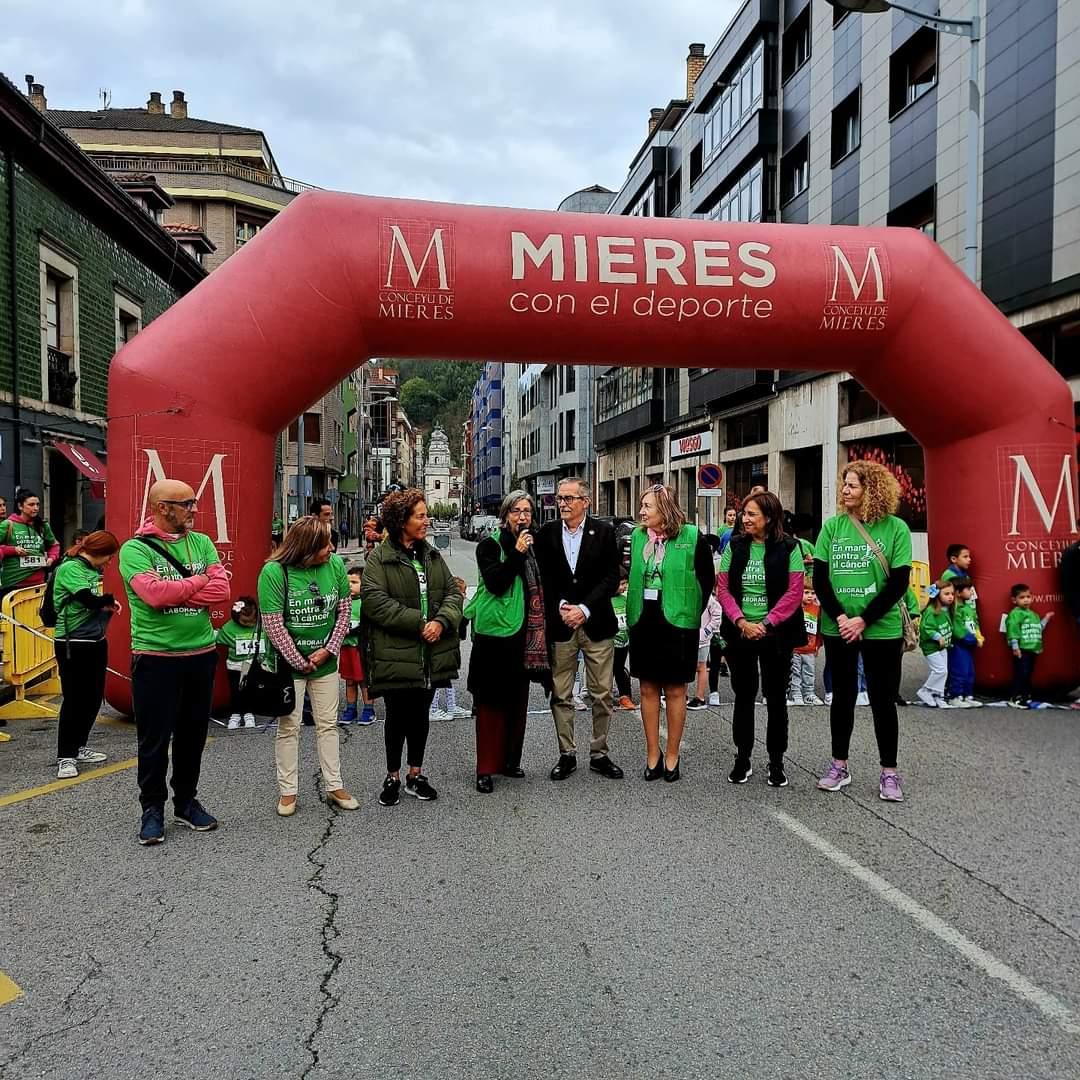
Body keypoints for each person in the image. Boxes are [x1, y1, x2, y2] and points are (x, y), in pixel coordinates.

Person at [119, 479, 231, 845]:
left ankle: (186, 802)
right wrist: (199, 582)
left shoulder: (201, 542)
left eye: (195, 503)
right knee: (153, 739)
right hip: (155, 657)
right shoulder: (135, 550)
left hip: (200, 654)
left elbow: (223, 591)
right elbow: (152, 595)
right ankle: (152, 809)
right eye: (187, 504)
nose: (194, 510)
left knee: (192, 736)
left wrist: (181, 592)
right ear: (163, 507)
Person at [813, 461, 912, 803]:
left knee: (883, 701)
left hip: (881, 629)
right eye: (844, 484)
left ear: (872, 489)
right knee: (842, 697)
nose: (845, 491)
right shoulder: (833, 528)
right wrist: (841, 616)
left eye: (852, 485)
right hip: (837, 627)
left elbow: (899, 582)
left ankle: (889, 772)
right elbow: (820, 579)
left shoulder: (896, 529)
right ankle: (839, 765)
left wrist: (863, 620)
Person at [361, 489, 462, 805]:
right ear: (401, 521)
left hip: (429, 655)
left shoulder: (430, 554)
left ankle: (415, 774)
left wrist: (441, 622)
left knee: (420, 716)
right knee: (396, 717)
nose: (426, 521)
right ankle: (392, 776)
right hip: (395, 653)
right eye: (420, 515)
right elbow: (375, 602)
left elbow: (453, 592)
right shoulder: (380, 557)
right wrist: (420, 622)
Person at [258, 517, 356, 815]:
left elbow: (344, 610)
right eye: (324, 544)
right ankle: (288, 792)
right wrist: (299, 660)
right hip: (289, 666)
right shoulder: (274, 572)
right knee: (290, 726)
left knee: (328, 725)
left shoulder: (335, 566)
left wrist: (329, 649)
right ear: (306, 548)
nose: (330, 549)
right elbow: (273, 624)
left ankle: (334, 785)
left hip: (326, 662)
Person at [535, 477, 623, 781]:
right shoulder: (546, 534)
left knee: (601, 694)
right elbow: (543, 578)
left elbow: (612, 577)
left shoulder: (604, 532)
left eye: (570, 498)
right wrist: (562, 607)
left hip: (596, 622)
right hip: (561, 625)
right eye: (560, 498)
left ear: (585, 501)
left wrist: (584, 609)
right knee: (561, 694)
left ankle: (599, 753)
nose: (563, 504)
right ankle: (567, 754)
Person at [717, 491, 806, 787]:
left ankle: (776, 761)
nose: (745, 518)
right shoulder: (735, 545)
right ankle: (742, 758)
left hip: (776, 633)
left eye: (752, 514)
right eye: (744, 513)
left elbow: (794, 593)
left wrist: (766, 623)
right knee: (743, 696)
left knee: (776, 697)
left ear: (769, 517)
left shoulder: (790, 547)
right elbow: (723, 588)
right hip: (740, 631)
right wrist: (742, 621)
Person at [627, 484, 714, 782]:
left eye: (647, 506)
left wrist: (689, 611)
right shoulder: (638, 537)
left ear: (664, 508)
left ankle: (673, 755)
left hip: (678, 623)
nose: (641, 512)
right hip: (645, 620)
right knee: (648, 689)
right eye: (642, 505)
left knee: (676, 690)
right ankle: (653, 755)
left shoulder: (691, 536)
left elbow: (706, 579)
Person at [465, 491, 550, 793]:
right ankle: (485, 768)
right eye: (516, 511)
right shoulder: (489, 546)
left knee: (517, 701)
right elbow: (497, 583)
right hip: (495, 635)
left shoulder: (534, 546)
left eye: (527, 511)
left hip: (524, 635)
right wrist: (516, 551)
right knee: (490, 703)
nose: (523, 517)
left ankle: (510, 760)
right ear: (505, 516)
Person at [52, 530, 121, 779]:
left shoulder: (91, 571)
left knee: (93, 698)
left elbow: (94, 602)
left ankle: (79, 746)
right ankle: (65, 756)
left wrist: (108, 604)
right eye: (110, 557)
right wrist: (106, 600)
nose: (110, 562)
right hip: (72, 642)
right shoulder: (71, 568)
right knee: (74, 699)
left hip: (95, 640)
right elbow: (87, 599)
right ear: (99, 552)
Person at [215, 597, 264, 729]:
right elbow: (218, 638)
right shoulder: (229, 628)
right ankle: (235, 714)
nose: (250, 623)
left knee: (250, 690)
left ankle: (249, 714)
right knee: (235, 691)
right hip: (234, 666)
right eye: (245, 621)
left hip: (254, 666)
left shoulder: (262, 625)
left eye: (253, 620)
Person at [0, 487, 60, 593]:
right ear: (20, 506)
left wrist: (51, 557)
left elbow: (54, 545)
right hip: (13, 582)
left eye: (37, 504)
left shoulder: (43, 525)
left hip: (39, 582)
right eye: (31, 505)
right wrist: (12, 550)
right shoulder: (8, 524)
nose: (36, 508)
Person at [1005, 583, 1054, 708]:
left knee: (1027, 674)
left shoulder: (1034, 614)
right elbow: (1013, 630)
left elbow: (1039, 628)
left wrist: (1046, 619)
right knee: (1021, 673)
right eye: (1022, 597)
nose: (1026, 599)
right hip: (1022, 649)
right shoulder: (1015, 614)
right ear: (1014, 600)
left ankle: (1026, 696)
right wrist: (1015, 647)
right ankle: (1015, 697)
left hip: (1032, 649)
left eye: (1028, 596)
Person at [338, 565, 375, 726]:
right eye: (347, 582)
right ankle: (350, 709)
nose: (350, 586)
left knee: (363, 680)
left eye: (354, 582)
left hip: (360, 648)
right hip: (345, 648)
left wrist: (353, 630)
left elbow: (369, 625)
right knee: (349, 680)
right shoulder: (342, 602)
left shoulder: (366, 603)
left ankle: (368, 709)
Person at [431, 576, 472, 721]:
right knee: (438, 679)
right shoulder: (448, 607)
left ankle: (451, 706)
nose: (464, 596)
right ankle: (432, 708)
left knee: (449, 677)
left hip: (450, 647)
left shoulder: (454, 606)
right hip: (443, 648)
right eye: (463, 592)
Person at [915, 580, 955, 709]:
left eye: (952, 594)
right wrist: (937, 636)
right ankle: (925, 691)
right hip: (931, 647)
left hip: (943, 646)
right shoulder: (931, 611)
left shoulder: (946, 610)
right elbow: (926, 627)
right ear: (938, 595)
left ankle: (938, 696)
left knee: (944, 672)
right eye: (946, 594)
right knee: (940, 670)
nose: (950, 597)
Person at [946, 576, 983, 707]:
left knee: (969, 671)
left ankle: (968, 695)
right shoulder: (955, 609)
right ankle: (955, 696)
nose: (971, 592)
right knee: (958, 670)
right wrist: (972, 639)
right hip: (958, 645)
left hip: (969, 645)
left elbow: (975, 623)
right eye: (968, 589)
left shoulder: (968, 608)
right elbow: (958, 630)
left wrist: (979, 636)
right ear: (958, 592)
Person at [687, 591, 723, 710]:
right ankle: (683, 695)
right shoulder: (686, 593)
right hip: (687, 637)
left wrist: (706, 631)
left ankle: (700, 698)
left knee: (701, 666)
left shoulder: (707, 597)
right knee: (685, 666)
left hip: (702, 640)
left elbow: (717, 614)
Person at [788, 584, 823, 706]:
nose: (810, 596)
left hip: (810, 649)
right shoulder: (795, 608)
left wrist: (818, 644)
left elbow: (818, 628)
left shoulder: (817, 608)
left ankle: (809, 694)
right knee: (795, 672)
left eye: (813, 593)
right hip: (796, 648)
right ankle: (795, 693)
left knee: (809, 672)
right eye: (807, 592)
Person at [611, 571, 635, 710]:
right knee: (608, 671)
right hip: (610, 643)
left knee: (620, 668)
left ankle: (625, 696)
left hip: (623, 642)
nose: (624, 587)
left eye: (626, 583)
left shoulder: (624, 599)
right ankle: (605, 698)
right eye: (621, 584)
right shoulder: (606, 600)